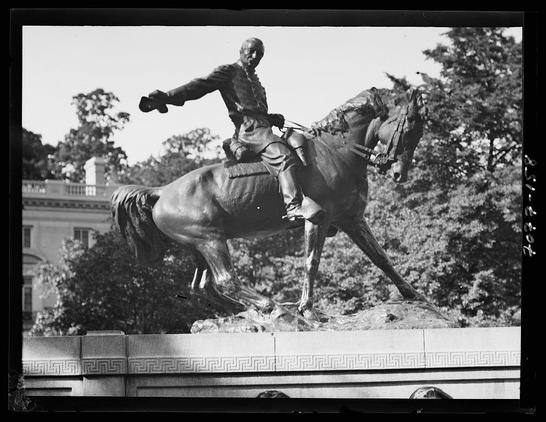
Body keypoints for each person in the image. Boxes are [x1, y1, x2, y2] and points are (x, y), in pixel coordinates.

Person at [140, 37, 324, 223]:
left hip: (263, 129)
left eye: (259, 54)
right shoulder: (229, 72)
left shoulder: (256, 80)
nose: (255, 57)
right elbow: (198, 86)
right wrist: (167, 97)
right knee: (283, 156)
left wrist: (271, 118)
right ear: (241, 50)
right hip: (250, 132)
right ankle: (293, 207)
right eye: (251, 51)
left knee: (301, 147)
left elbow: (255, 110)